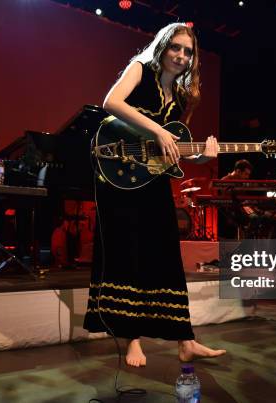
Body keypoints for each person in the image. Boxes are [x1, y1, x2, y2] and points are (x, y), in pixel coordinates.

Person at [83, 23, 226, 367]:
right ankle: (132, 340)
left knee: (164, 254)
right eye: (176, 47)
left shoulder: (181, 97)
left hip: (154, 180)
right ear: (162, 47)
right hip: (118, 175)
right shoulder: (140, 70)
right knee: (129, 253)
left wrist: (203, 156)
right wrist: (158, 130)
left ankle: (186, 340)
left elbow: (172, 148)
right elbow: (111, 102)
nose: (181, 56)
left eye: (188, 51)